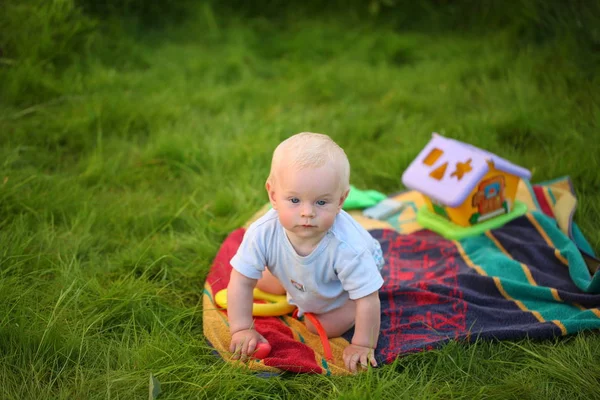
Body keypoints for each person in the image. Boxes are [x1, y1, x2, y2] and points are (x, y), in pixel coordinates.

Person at [226, 132, 385, 373]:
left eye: (321, 202)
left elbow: (368, 298)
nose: (307, 212)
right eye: (294, 200)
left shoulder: (349, 248)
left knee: (320, 324)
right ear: (273, 195)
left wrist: (362, 344)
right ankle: (293, 283)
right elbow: (240, 280)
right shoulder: (262, 232)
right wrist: (241, 328)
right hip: (298, 271)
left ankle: (349, 308)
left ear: (341, 200)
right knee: (265, 283)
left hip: (343, 286)